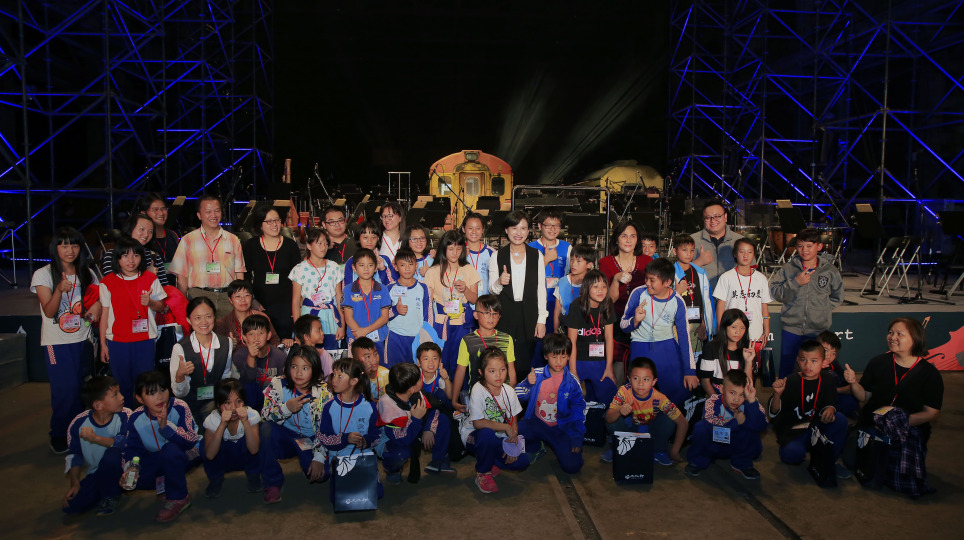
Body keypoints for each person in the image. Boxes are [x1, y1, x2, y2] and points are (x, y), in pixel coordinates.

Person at [843, 318, 944, 497]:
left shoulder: (930, 374)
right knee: (852, 462)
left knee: (897, 476)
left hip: (908, 429)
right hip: (873, 423)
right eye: (890, 333)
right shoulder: (878, 362)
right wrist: (853, 383)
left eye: (899, 334)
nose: (892, 337)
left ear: (915, 338)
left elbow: (931, 413)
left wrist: (898, 423)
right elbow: (864, 396)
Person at [31, 227, 102, 453]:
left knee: (82, 389)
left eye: (74, 245)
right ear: (55, 248)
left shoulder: (87, 273)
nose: (70, 250)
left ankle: (80, 432)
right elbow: (49, 311)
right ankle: (60, 434)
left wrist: (92, 314)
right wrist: (59, 290)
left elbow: (97, 301)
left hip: (83, 339)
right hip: (57, 343)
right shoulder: (43, 274)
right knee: (65, 391)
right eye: (64, 245)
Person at [259, 345, 333, 504]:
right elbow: (264, 414)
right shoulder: (277, 384)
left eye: (305, 368)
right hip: (286, 436)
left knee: (322, 474)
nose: (299, 373)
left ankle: (314, 461)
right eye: (294, 367)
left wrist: (319, 457)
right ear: (288, 367)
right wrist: (286, 408)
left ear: (314, 369)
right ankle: (272, 483)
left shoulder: (323, 393)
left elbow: (327, 429)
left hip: (311, 439)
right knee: (265, 429)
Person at [620, 258, 697, 409]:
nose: (647, 283)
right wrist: (635, 321)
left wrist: (690, 371)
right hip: (640, 347)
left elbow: (684, 337)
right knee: (638, 396)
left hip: (667, 348)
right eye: (646, 278)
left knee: (676, 394)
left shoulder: (677, 301)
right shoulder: (638, 293)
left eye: (652, 280)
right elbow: (623, 325)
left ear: (667, 282)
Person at [98, 235, 167, 405]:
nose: (131, 260)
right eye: (125, 255)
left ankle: (146, 417)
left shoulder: (150, 278)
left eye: (136, 255)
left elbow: (162, 307)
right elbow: (105, 314)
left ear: (141, 257)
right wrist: (103, 344)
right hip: (117, 341)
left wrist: (150, 302)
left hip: (145, 340)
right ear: (118, 258)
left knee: (145, 384)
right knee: (123, 385)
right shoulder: (107, 282)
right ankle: (126, 417)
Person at [124, 370, 198, 522]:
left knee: (169, 451)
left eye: (163, 390)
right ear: (140, 398)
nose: (159, 397)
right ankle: (164, 485)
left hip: (185, 454)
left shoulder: (179, 406)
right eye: (151, 393)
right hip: (157, 458)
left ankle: (179, 498)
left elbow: (191, 439)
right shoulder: (136, 417)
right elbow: (132, 449)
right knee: (131, 479)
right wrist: (131, 469)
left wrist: (166, 428)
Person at [770, 227, 844, 378]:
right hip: (792, 328)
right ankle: (786, 392)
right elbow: (776, 293)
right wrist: (796, 282)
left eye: (809, 246)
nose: (804, 250)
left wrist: (822, 309)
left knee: (814, 370)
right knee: (788, 367)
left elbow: (837, 296)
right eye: (800, 246)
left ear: (819, 246)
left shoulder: (830, 270)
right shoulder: (788, 269)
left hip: (818, 330)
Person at [769, 341, 848, 474]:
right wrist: (777, 394)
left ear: (824, 362)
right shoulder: (790, 381)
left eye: (814, 361)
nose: (808, 365)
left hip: (817, 426)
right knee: (792, 455)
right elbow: (774, 412)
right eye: (803, 360)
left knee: (840, 419)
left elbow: (831, 400)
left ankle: (829, 459)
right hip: (795, 431)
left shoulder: (827, 379)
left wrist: (830, 409)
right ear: (798, 361)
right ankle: (798, 447)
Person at [460, 347, 530, 494]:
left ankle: (490, 460)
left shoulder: (509, 391)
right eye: (492, 371)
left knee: (523, 461)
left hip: (498, 437)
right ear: (481, 372)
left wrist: (512, 445)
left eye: (502, 370)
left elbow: (514, 422)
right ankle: (483, 472)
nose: (498, 375)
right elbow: (478, 423)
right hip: (474, 436)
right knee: (487, 434)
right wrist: (505, 428)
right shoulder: (478, 389)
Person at [515, 333, 586, 474]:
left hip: (560, 428)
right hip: (537, 423)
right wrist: (528, 384)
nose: (559, 361)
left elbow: (579, 412)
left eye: (563, 356)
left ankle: (559, 446)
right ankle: (535, 447)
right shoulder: (537, 374)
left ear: (569, 356)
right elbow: (517, 396)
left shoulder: (572, 382)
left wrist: (577, 438)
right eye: (554, 356)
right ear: (546, 356)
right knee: (513, 431)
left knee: (573, 466)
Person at [489, 210, 547, 378]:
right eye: (514, 228)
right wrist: (499, 282)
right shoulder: (497, 256)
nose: (518, 233)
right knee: (503, 359)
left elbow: (540, 289)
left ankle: (522, 392)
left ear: (528, 231)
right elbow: (492, 290)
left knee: (524, 360)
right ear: (506, 230)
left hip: (529, 314)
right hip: (505, 314)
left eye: (523, 228)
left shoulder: (536, 255)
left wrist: (541, 320)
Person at [62, 376, 130, 516]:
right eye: (115, 394)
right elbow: (74, 455)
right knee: (71, 506)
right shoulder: (78, 423)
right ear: (98, 405)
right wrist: (75, 483)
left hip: (125, 471)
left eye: (120, 392)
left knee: (112, 454)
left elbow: (124, 443)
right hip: (97, 473)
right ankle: (106, 489)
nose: (122, 397)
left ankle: (110, 496)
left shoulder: (125, 416)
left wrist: (95, 438)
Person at [601, 357, 688, 466]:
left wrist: (675, 451)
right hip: (629, 428)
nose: (640, 383)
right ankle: (617, 447)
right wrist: (619, 410)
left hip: (650, 431)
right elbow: (608, 418)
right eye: (636, 378)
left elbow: (683, 423)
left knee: (669, 419)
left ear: (653, 381)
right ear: (629, 379)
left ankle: (659, 451)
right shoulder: (624, 392)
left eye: (646, 379)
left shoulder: (660, 398)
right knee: (610, 414)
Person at [169, 195, 246, 317]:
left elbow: (239, 273)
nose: (213, 215)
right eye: (208, 212)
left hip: (227, 297)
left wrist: (240, 298)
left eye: (217, 210)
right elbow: (182, 276)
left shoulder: (233, 240)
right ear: (199, 215)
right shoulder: (188, 240)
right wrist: (182, 303)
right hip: (198, 295)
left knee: (229, 329)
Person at [686, 369, 767, 479]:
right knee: (701, 427)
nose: (736, 399)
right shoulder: (713, 401)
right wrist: (735, 422)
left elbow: (762, 426)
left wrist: (752, 402)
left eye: (742, 394)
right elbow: (710, 425)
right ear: (722, 389)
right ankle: (699, 460)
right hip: (717, 444)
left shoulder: (751, 402)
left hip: (738, 445)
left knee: (753, 426)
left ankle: (741, 463)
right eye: (732, 393)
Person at [599, 220, 653, 373]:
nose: (628, 240)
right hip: (616, 319)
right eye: (624, 236)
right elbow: (609, 300)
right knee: (619, 362)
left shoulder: (646, 261)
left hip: (643, 319)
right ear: (616, 239)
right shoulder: (605, 262)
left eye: (633, 236)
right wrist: (616, 280)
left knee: (641, 363)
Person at [169, 297, 235, 422]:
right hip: (190, 407)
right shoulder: (180, 348)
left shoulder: (226, 343)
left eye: (208, 316)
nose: (204, 322)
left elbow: (226, 376)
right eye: (197, 318)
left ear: (214, 317)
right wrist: (180, 376)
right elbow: (179, 393)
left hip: (217, 405)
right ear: (189, 320)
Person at [377, 363, 444, 484]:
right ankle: (392, 469)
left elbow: (434, 409)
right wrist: (416, 419)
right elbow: (402, 440)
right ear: (411, 389)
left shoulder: (415, 394)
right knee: (400, 454)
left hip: (411, 430)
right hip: (390, 440)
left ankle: (440, 460)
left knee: (443, 420)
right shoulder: (389, 407)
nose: (422, 378)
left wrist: (428, 429)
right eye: (419, 378)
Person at [242, 204, 301, 340]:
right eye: (269, 221)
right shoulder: (251, 245)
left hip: (286, 305)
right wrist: (252, 299)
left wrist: (297, 304)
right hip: (261, 304)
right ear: (260, 225)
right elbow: (245, 276)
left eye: (277, 220)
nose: (274, 224)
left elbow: (298, 278)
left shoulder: (290, 245)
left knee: (286, 342)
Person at [426, 230, 481, 374]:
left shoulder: (468, 269)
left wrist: (465, 290)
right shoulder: (433, 271)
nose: (454, 253)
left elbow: (475, 299)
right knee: (441, 358)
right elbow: (428, 301)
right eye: (450, 249)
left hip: (462, 323)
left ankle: (460, 387)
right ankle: (441, 387)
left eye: (458, 248)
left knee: (461, 361)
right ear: (443, 249)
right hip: (441, 322)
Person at [317, 358, 380, 484]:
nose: (334, 379)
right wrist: (345, 439)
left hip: (363, 456)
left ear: (354, 381)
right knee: (343, 493)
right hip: (338, 457)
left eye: (340, 376)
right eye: (334, 374)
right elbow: (324, 437)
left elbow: (377, 434)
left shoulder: (369, 405)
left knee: (373, 491)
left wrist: (366, 441)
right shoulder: (329, 406)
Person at [451, 294, 518, 411]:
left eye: (495, 313)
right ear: (476, 315)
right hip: (479, 398)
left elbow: (511, 370)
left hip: (503, 395)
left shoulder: (507, 339)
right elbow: (460, 370)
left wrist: (511, 394)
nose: (491, 317)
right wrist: (454, 400)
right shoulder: (467, 340)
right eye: (486, 313)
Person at [564, 270, 619, 406]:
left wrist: (609, 366)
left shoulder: (608, 304)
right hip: (578, 359)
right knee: (568, 398)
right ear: (586, 288)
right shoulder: (576, 306)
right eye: (595, 286)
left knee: (610, 399)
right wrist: (573, 371)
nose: (600, 290)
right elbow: (572, 341)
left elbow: (609, 337)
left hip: (600, 360)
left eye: (604, 286)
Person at [201, 378, 261, 498]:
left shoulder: (251, 415)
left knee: (257, 438)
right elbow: (210, 455)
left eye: (239, 401)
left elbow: (254, 450)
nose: (234, 407)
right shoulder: (212, 420)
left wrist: (245, 422)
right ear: (218, 404)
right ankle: (216, 478)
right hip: (224, 458)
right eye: (227, 403)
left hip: (244, 455)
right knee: (205, 444)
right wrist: (222, 425)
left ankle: (253, 475)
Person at [290, 227, 345, 350]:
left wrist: (342, 325)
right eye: (319, 243)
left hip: (331, 316)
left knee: (331, 352)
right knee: (309, 353)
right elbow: (296, 301)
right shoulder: (299, 269)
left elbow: (339, 297)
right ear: (309, 246)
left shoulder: (334, 267)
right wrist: (298, 329)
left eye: (325, 244)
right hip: (308, 315)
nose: (323, 247)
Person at [713, 238, 771, 354]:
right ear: (735, 254)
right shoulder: (726, 277)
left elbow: (764, 307)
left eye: (749, 252)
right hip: (732, 334)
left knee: (752, 364)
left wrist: (766, 331)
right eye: (741, 251)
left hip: (755, 334)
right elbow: (720, 307)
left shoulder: (761, 279)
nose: (745, 255)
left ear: (754, 254)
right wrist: (721, 331)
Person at [415, 342, 457, 474]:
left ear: (440, 361)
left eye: (435, 358)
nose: (431, 362)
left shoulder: (440, 377)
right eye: (426, 358)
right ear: (418, 362)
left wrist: (446, 378)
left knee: (443, 416)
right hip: (419, 412)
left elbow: (450, 396)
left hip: (437, 412)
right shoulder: (415, 376)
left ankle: (439, 460)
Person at [342, 248, 392, 357]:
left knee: (377, 365)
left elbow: (384, 317)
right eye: (361, 265)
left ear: (375, 268)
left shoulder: (383, 289)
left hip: (378, 338)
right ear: (354, 268)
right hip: (356, 337)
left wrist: (365, 331)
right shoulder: (348, 289)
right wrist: (359, 333)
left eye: (370, 265)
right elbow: (348, 317)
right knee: (357, 366)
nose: (366, 269)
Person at [385, 247, 432, 366]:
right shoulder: (389, 288)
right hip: (395, 337)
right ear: (396, 267)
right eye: (402, 265)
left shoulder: (423, 287)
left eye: (410, 264)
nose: (407, 268)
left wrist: (427, 336)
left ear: (416, 265)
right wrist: (395, 310)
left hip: (417, 337)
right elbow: (383, 315)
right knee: (396, 371)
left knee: (416, 371)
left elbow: (429, 314)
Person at [528, 208, 570, 336]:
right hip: (537, 300)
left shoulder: (567, 247)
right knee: (538, 337)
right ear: (540, 226)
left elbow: (570, 275)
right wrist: (546, 260)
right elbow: (527, 276)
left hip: (559, 301)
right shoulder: (530, 248)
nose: (552, 229)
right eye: (548, 225)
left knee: (556, 338)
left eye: (556, 225)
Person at [231, 314, 286, 410]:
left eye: (260, 333)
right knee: (248, 385)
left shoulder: (280, 356)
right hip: (249, 400)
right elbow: (248, 380)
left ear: (268, 335)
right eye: (251, 334)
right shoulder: (239, 356)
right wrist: (251, 357)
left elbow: (283, 384)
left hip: (272, 399)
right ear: (244, 338)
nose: (256, 338)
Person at [672, 233, 716, 355]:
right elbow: (663, 301)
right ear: (675, 251)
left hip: (696, 324)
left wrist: (704, 324)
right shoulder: (670, 273)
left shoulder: (700, 273)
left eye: (692, 250)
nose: (689, 254)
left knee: (696, 358)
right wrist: (677, 292)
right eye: (684, 250)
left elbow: (704, 301)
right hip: (677, 324)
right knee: (679, 357)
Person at [101, 213, 172, 286]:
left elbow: (164, 286)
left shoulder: (154, 256)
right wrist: (146, 276)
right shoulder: (113, 254)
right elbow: (112, 285)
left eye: (150, 231)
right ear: (130, 229)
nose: (146, 235)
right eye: (142, 229)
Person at [697, 309, 755, 396]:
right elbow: (705, 381)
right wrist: (717, 401)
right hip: (717, 395)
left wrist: (748, 362)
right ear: (725, 327)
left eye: (742, 328)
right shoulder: (711, 347)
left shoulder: (747, 350)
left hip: (740, 397)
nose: (738, 332)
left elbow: (748, 385)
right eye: (734, 327)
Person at [214, 280, 284, 350]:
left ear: (252, 297)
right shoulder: (222, 323)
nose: (243, 300)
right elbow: (218, 349)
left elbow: (275, 341)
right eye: (238, 296)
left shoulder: (262, 317)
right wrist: (229, 345)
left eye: (246, 295)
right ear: (230, 300)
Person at [691, 200, 744, 291]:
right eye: (708, 218)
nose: (713, 221)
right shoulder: (692, 241)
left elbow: (751, 271)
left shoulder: (740, 241)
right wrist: (698, 262)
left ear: (725, 217)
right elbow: (679, 272)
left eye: (717, 216)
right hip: (701, 295)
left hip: (733, 295)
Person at [815, 331, 858, 418]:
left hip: (836, 397)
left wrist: (837, 389)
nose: (829, 356)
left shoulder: (834, 363)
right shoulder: (809, 364)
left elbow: (849, 387)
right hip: (818, 402)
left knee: (852, 400)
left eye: (834, 353)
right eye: (826, 350)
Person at [554, 243, 596, 331]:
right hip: (566, 325)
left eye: (579, 261)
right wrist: (556, 330)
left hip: (587, 327)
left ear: (589, 264)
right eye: (572, 259)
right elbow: (558, 309)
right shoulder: (562, 282)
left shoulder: (593, 283)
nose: (573, 264)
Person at [343, 219, 398, 286]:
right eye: (365, 237)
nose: (369, 241)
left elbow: (394, 286)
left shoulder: (385, 260)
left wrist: (382, 269)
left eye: (373, 237)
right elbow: (348, 287)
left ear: (378, 238)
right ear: (359, 238)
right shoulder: (351, 261)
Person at [462, 212, 495, 300]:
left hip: (484, 301)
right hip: (462, 302)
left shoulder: (491, 253)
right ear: (463, 229)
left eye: (478, 228)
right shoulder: (457, 251)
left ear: (483, 229)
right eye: (470, 228)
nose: (474, 232)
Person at [140, 193, 179, 265]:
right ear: (143, 213)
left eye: (163, 209)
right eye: (155, 209)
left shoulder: (173, 235)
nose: (161, 213)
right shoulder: (141, 238)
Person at [293, 314, 336, 379]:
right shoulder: (295, 355)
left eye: (321, 329)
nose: (322, 333)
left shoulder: (324, 355)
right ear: (306, 336)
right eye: (318, 330)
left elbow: (329, 379)